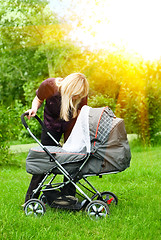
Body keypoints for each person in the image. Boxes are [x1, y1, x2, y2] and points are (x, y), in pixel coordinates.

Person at [24, 73, 89, 203]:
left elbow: (82, 112)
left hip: (71, 126)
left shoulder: (82, 92)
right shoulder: (49, 85)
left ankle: (68, 196)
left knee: (73, 158)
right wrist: (34, 109)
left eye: (80, 95)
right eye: (76, 95)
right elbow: (38, 99)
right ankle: (31, 198)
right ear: (69, 88)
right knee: (44, 159)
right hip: (51, 126)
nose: (78, 97)